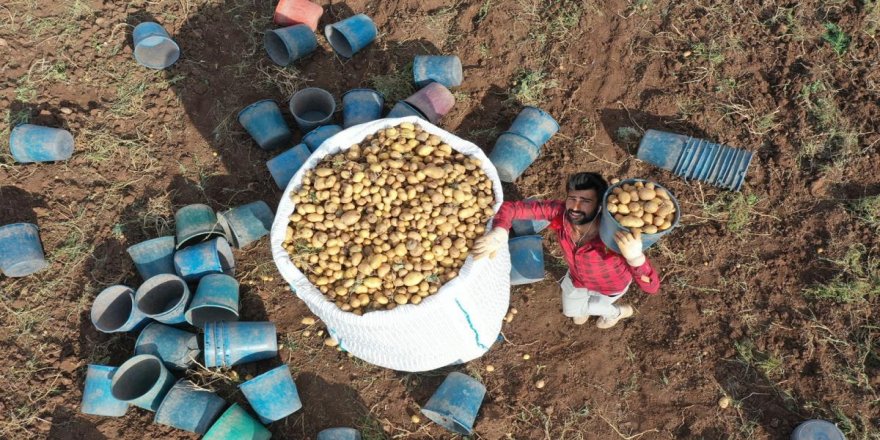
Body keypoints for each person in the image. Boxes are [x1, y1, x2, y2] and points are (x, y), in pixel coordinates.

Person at [472, 172, 660, 328]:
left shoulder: (617, 237)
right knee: (572, 312)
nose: (575, 208)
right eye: (572, 198)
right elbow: (511, 208)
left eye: (586, 201)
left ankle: (617, 313)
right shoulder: (560, 212)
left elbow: (651, 287)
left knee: (597, 306)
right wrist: (500, 231)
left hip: (609, 288)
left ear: (600, 205)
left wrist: (636, 258)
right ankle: (583, 310)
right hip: (577, 279)